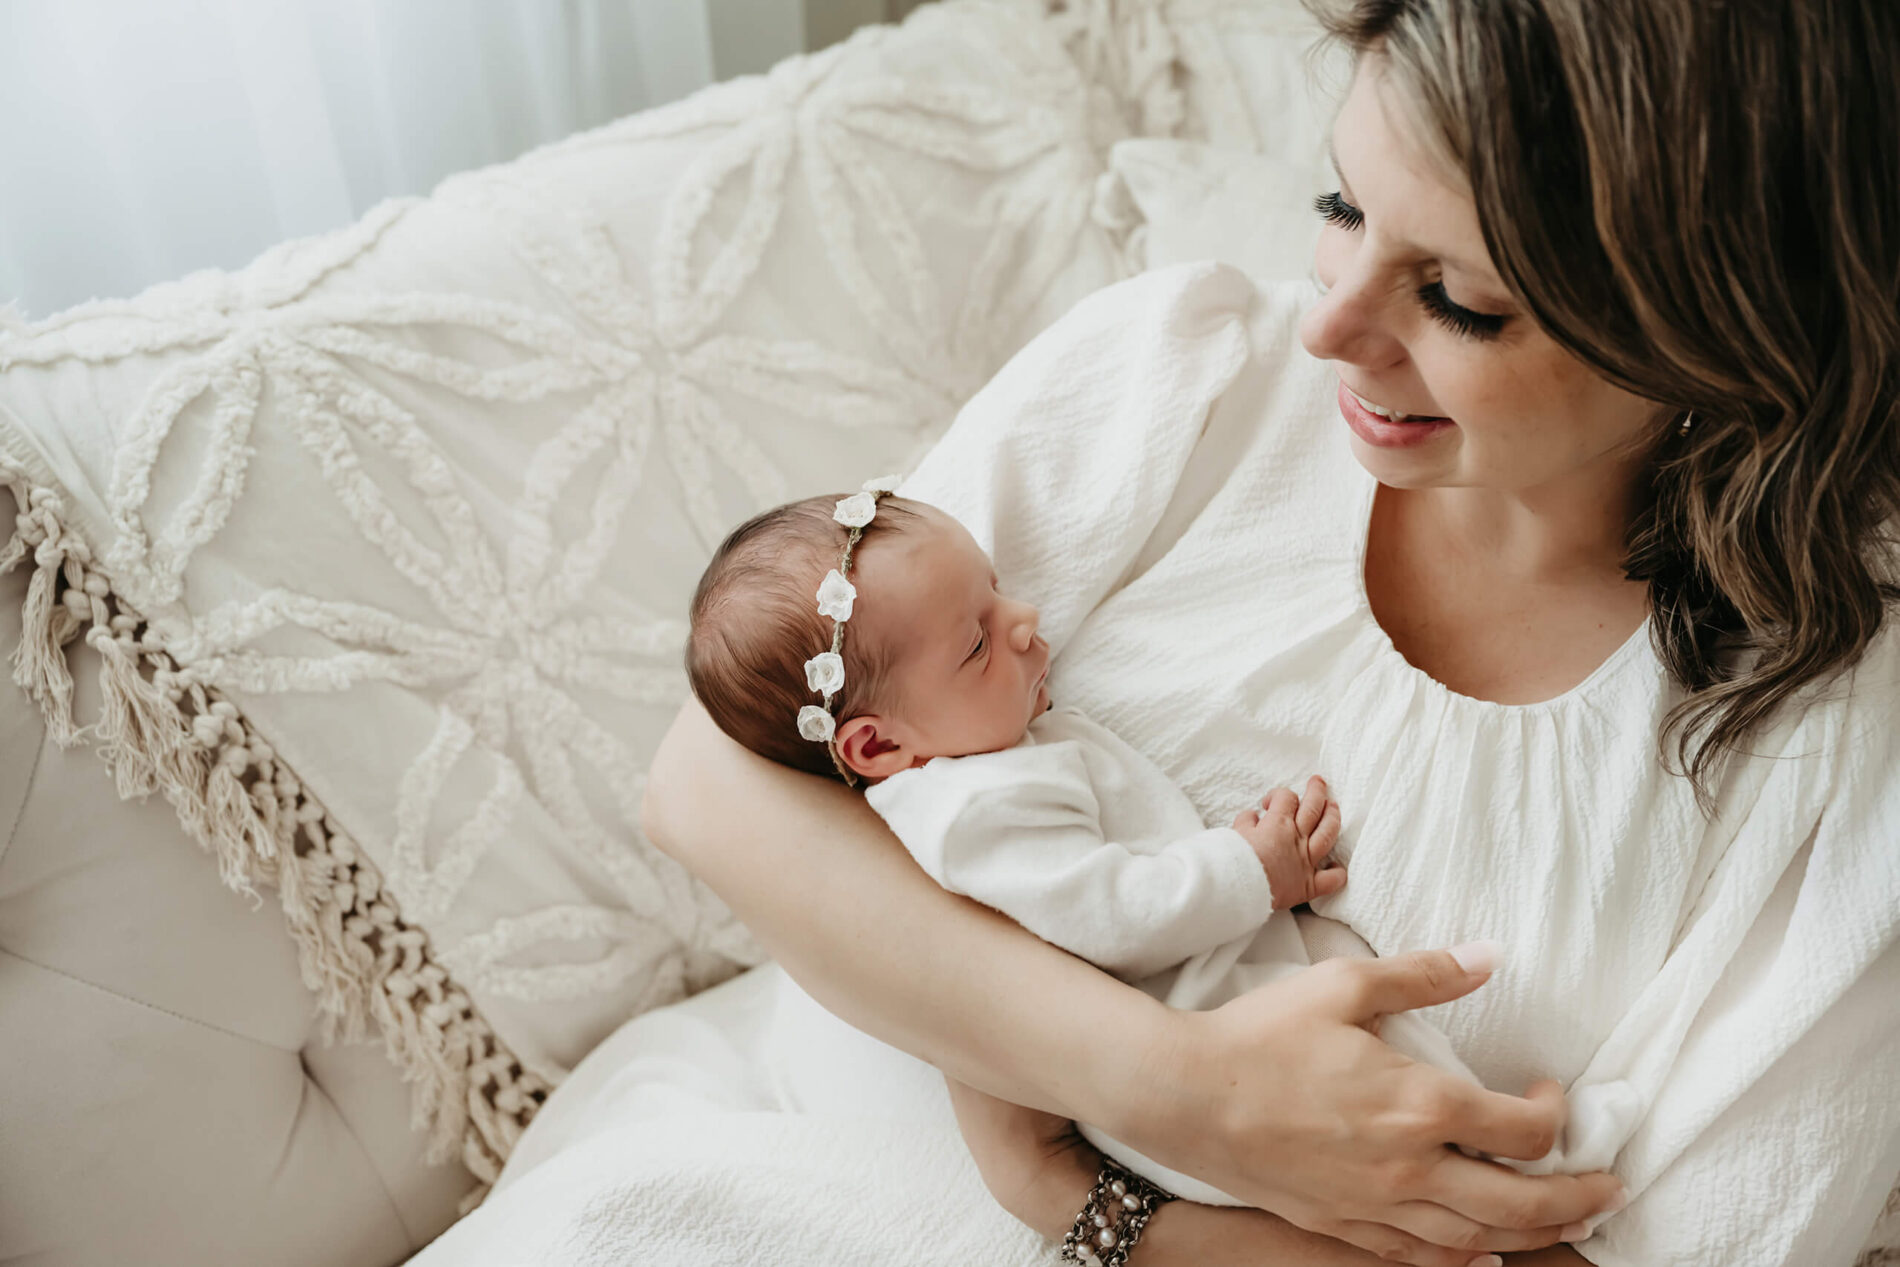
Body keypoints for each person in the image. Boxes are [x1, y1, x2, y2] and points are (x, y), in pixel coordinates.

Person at [642, 1, 1900, 1264]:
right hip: (780, 1155)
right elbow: (709, 781)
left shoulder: (1834, 737)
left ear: (1722, 329)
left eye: (1457, 299)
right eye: (1342, 207)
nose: (1325, 327)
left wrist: (1092, 1205)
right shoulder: (1186, 378)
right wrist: (1175, 1087)